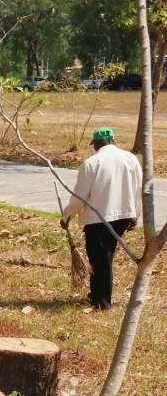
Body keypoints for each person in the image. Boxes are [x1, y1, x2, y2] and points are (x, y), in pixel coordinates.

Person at [61, 126, 142, 310]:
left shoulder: (92, 163)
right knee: (103, 257)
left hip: (98, 219)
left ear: (96, 144)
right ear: (113, 140)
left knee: (101, 259)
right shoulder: (131, 159)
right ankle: (96, 295)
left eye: (94, 145)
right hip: (122, 217)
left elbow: (79, 197)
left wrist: (67, 216)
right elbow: (138, 190)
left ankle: (102, 302)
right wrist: (135, 215)